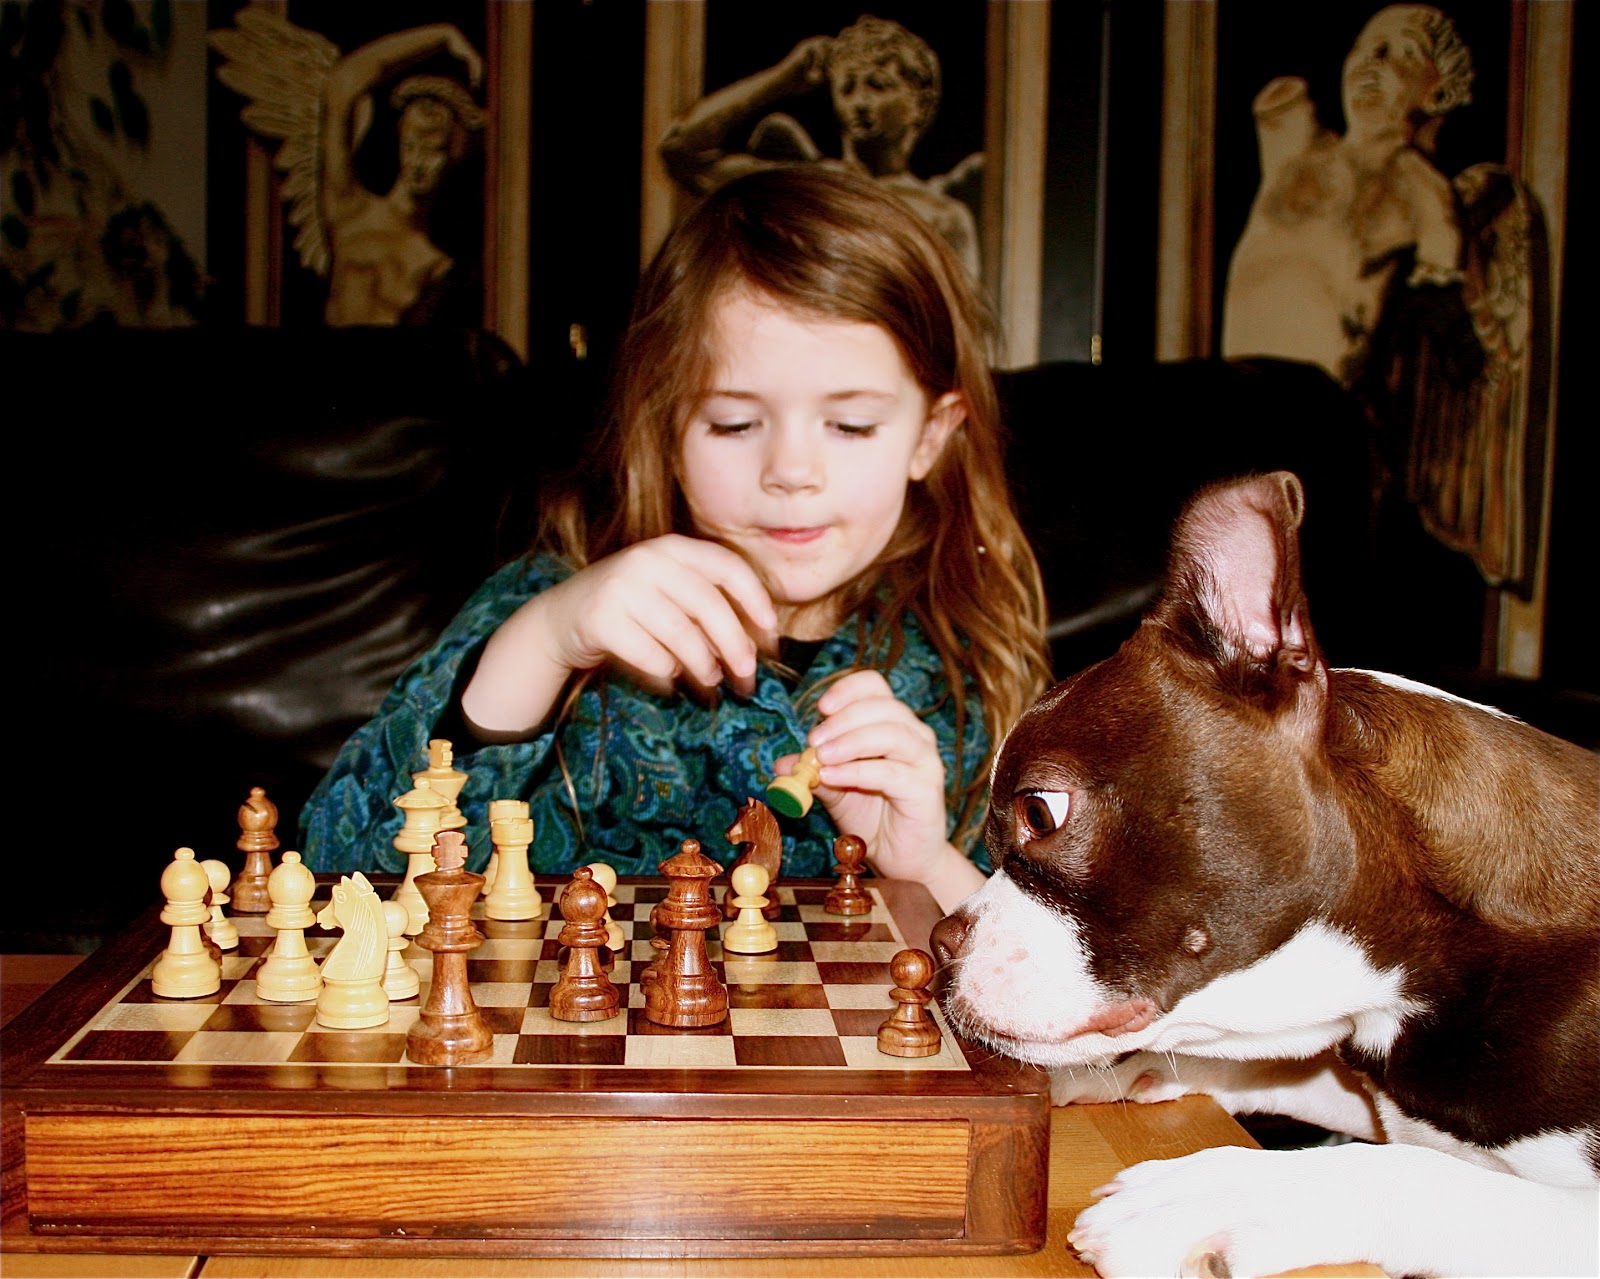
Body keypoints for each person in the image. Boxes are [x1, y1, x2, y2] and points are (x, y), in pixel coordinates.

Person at [301, 166, 1050, 912]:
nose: (791, 471)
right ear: (667, 434)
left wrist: (926, 863)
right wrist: (542, 644)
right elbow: (338, 877)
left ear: (931, 437)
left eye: (851, 425)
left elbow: (1047, 965)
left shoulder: (967, 664)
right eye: (734, 423)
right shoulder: (549, 605)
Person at [1221, 4, 1474, 386]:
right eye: (1362, 47)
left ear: (1438, 92)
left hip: (1315, 390)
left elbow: (1446, 323)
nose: (1372, 60)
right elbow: (1276, 108)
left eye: (1404, 50)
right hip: (1236, 380)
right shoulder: (1300, 147)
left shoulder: (1422, 187)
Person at [660, 15, 982, 279]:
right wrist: (782, 78)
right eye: (847, 88)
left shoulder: (941, 216)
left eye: (878, 86)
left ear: (920, 104)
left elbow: (968, 328)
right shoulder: (800, 186)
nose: (859, 102)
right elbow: (680, 149)